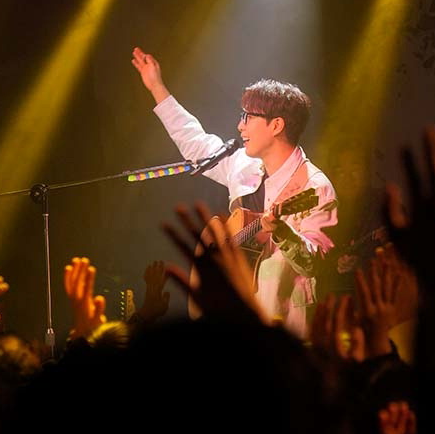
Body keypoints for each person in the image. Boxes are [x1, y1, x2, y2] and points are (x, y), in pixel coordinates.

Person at [131, 46, 338, 338]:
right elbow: (195, 142)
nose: (240, 126)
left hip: (282, 332)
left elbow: (316, 263)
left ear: (276, 125)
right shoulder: (243, 164)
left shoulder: (315, 187)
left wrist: (282, 232)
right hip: (235, 322)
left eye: (247, 117)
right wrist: (156, 87)